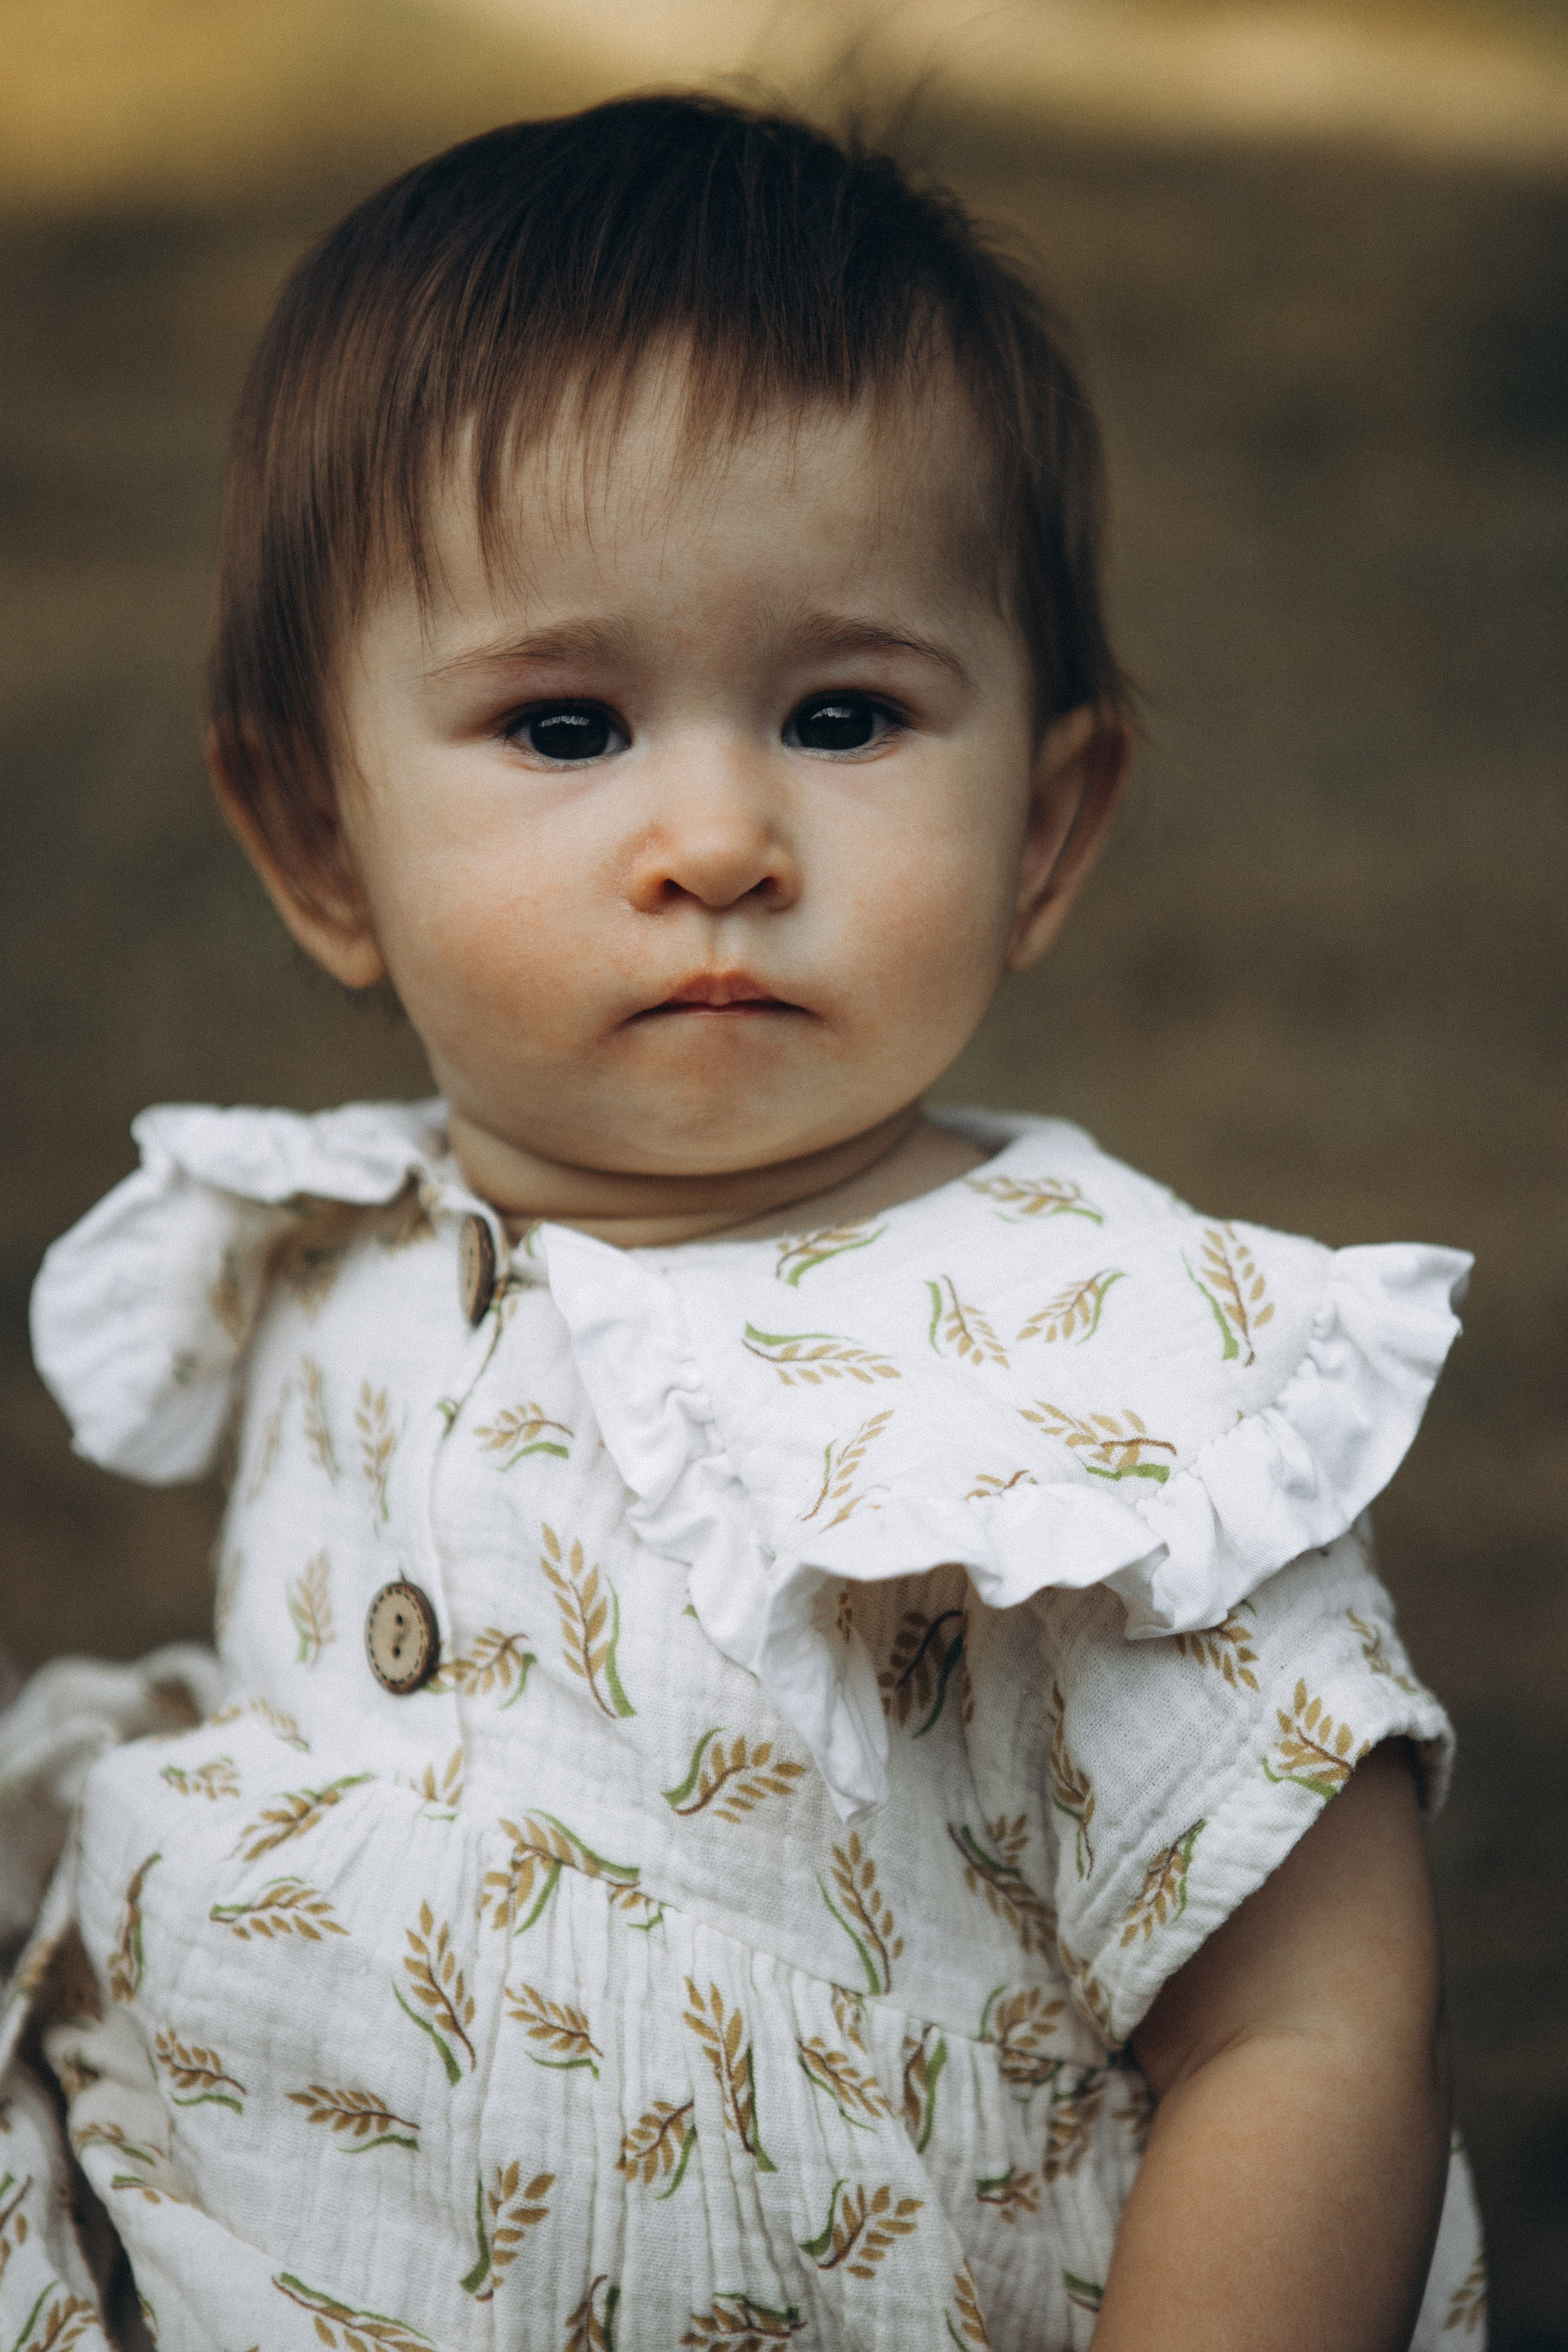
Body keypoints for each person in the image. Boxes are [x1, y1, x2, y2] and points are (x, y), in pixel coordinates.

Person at [0, 94, 1486, 2352]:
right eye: (570, 722)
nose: (717, 835)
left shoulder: (1093, 1388)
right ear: (321, 841)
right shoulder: (321, 1244)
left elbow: (1313, 2042)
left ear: (1050, 825)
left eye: (842, 712)